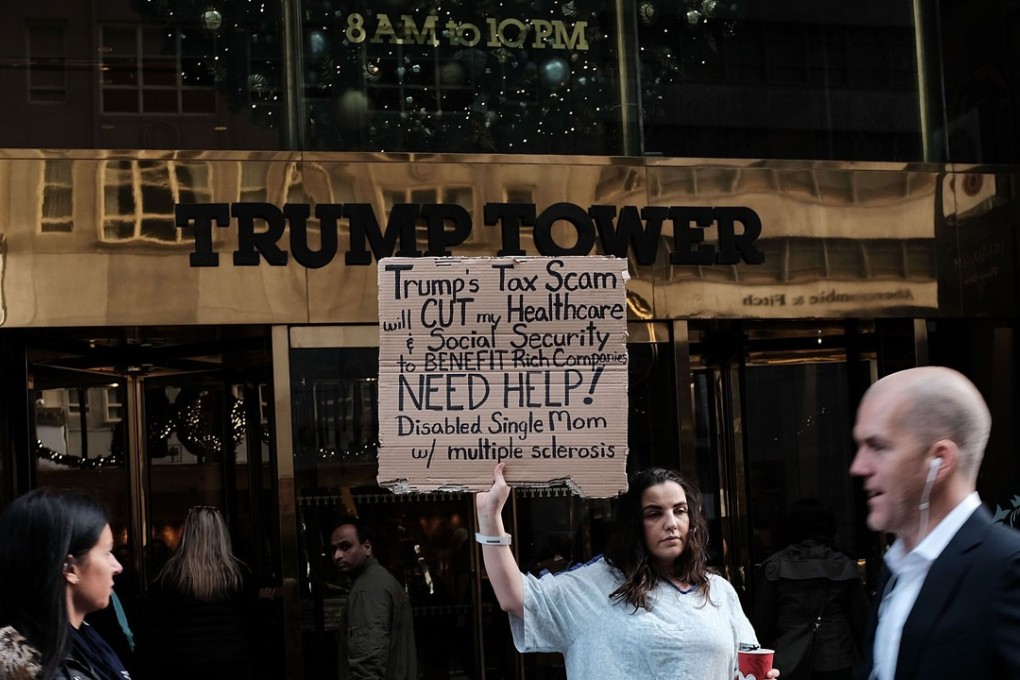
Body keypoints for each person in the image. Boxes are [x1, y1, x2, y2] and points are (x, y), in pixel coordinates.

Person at [476, 462, 781, 679]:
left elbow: (745, 666)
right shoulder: (595, 587)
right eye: (654, 513)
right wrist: (490, 517)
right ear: (634, 525)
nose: (671, 523)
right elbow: (513, 597)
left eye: (680, 510)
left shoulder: (718, 592)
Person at [849, 366, 1020, 680]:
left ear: (939, 460)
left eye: (878, 447)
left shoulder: (1007, 568)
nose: (859, 466)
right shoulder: (897, 572)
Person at [0, 488, 130, 680]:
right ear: (70, 568)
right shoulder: (22, 666)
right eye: (106, 552)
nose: (117, 567)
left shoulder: (86, 642)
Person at [754, 499, 869, 680]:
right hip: (838, 656)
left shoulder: (774, 566)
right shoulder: (845, 565)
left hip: (790, 657)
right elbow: (862, 622)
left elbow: (762, 624)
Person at [140, 506, 254, 680]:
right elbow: (252, 622)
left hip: (182, 662)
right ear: (221, 534)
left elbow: (154, 629)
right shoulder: (238, 574)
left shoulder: (168, 575)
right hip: (231, 660)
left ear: (188, 534)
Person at [329, 515, 417, 680]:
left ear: (367, 547)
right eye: (333, 550)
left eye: (345, 546)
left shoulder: (367, 590)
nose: (337, 556)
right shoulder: (382, 579)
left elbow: (367, 665)